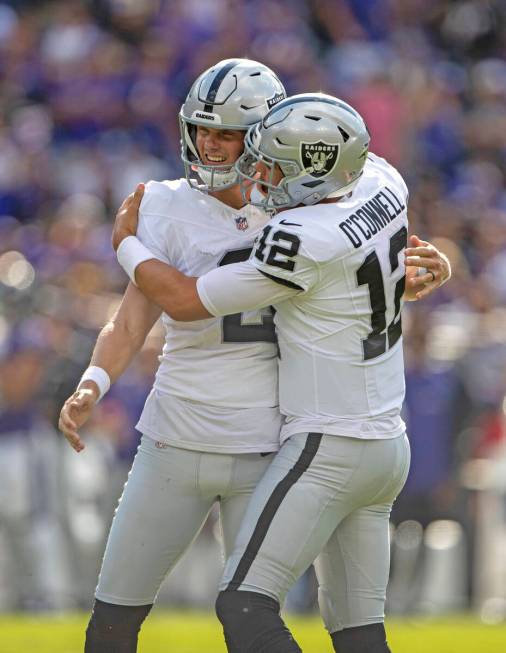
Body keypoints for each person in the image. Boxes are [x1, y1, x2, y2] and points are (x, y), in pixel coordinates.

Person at [60, 58, 448, 651]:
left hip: (270, 442)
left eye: (229, 134)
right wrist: (94, 380)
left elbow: (196, 299)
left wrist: (126, 244)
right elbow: (134, 316)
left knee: (248, 617)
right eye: (203, 130)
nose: (211, 147)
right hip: (176, 431)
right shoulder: (165, 202)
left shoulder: (301, 204)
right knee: (112, 622)